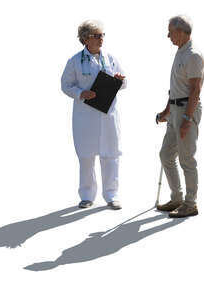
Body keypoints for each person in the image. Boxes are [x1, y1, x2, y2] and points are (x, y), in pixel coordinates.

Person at [61, 20, 127, 210]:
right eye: (96, 36)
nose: (101, 39)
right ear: (85, 39)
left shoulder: (110, 58)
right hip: (86, 116)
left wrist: (119, 81)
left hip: (108, 116)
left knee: (111, 155)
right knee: (86, 156)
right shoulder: (74, 61)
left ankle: (111, 195)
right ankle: (87, 195)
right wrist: (81, 93)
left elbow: (125, 81)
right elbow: (65, 85)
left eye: (102, 35)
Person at [156, 15, 204, 217]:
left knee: (186, 159)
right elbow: (174, 88)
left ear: (181, 31)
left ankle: (190, 203)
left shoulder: (193, 55)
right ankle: (177, 198)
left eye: (170, 31)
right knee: (166, 155)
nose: (168, 35)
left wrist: (186, 119)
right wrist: (166, 111)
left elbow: (195, 90)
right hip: (175, 110)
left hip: (186, 110)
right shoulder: (180, 53)